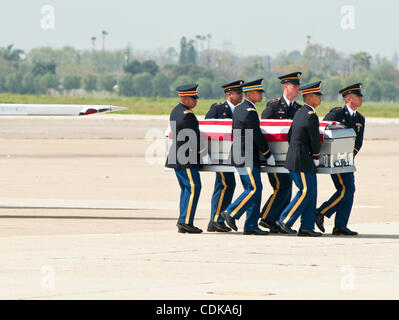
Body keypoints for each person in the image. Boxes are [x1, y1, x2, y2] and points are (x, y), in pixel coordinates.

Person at [221, 79, 275, 235]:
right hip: (247, 156)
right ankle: (231, 212)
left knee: (254, 189)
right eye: (258, 92)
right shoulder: (249, 111)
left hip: (242, 155)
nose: (261, 95)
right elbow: (256, 135)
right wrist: (267, 154)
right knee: (253, 188)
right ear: (250, 94)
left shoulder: (239, 108)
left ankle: (251, 224)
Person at [315, 83, 365, 236]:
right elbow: (323, 132)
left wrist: (349, 156)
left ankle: (340, 225)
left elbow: (358, 141)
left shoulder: (360, 119)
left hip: (347, 160)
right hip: (334, 160)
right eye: (358, 96)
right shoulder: (336, 114)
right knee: (346, 189)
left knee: (349, 190)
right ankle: (321, 212)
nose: (362, 98)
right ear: (349, 99)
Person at [276, 81, 323, 237]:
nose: (320, 99)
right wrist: (316, 156)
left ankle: (307, 227)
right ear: (309, 97)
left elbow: (290, 136)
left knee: (312, 193)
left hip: (302, 158)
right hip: (301, 159)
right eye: (317, 96)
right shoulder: (310, 116)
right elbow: (314, 140)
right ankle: (285, 219)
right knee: (306, 191)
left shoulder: (300, 112)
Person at [259, 72, 303, 233]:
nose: (298, 89)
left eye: (298, 86)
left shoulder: (299, 108)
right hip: (274, 156)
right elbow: (264, 128)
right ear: (285, 87)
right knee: (282, 186)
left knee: (287, 188)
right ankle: (267, 218)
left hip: (290, 156)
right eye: (295, 86)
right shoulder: (274, 106)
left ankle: (276, 220)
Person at [165, 84, 208, 234]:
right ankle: (186, 221)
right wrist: (203, 152)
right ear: (184, 98)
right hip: (187, 157)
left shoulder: (175, 111)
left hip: (179, 156)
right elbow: (193, 136)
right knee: (193, 187)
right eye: (193, 98)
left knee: (186, 189)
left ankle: (184, 219)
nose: (195, 101)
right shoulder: (187, 114)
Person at [205, 80, 244, 232]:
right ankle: (216, 219)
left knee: (226, 185)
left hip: (232, 153)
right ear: (229, 94)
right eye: (238, 93)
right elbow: (207, 128)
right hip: (220, 154)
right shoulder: (217, 109)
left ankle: (216, 219)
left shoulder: (240, 110)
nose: (241, 95)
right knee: (225, 184)